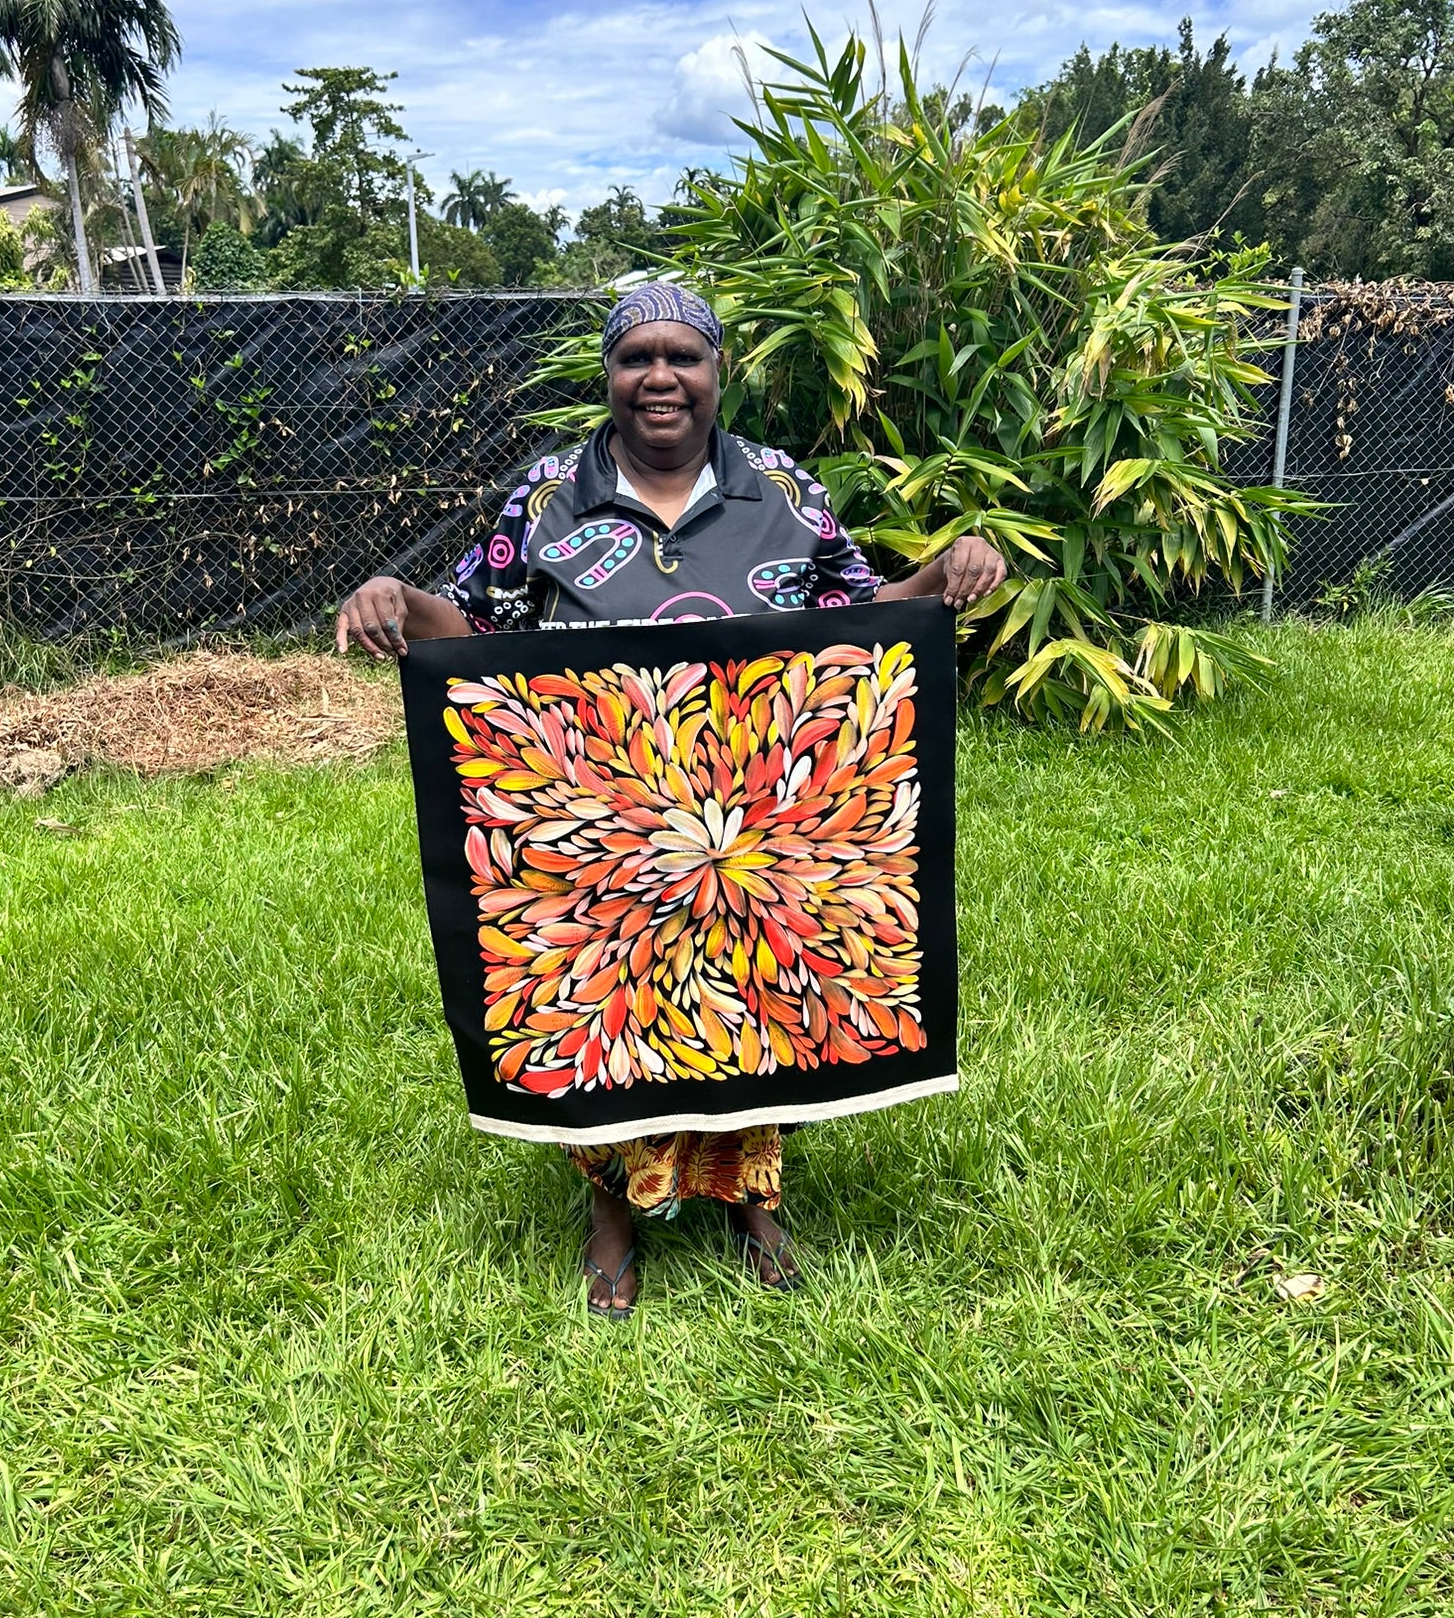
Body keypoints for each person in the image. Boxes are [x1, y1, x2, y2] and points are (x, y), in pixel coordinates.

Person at [337, 283, 1004, 1316]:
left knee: (758, 993)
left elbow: (861, 617)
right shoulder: (550, 495)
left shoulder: (780, 489)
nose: (660, 376)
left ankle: (752, 1198)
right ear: (608, 373)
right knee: (604, 998)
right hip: (595, 803)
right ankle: (611, 1211)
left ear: (716, 370)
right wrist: (395, 597)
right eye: (635, 356)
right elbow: (473, 624)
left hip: (756, 802)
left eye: (682, 356)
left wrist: (944, 573)